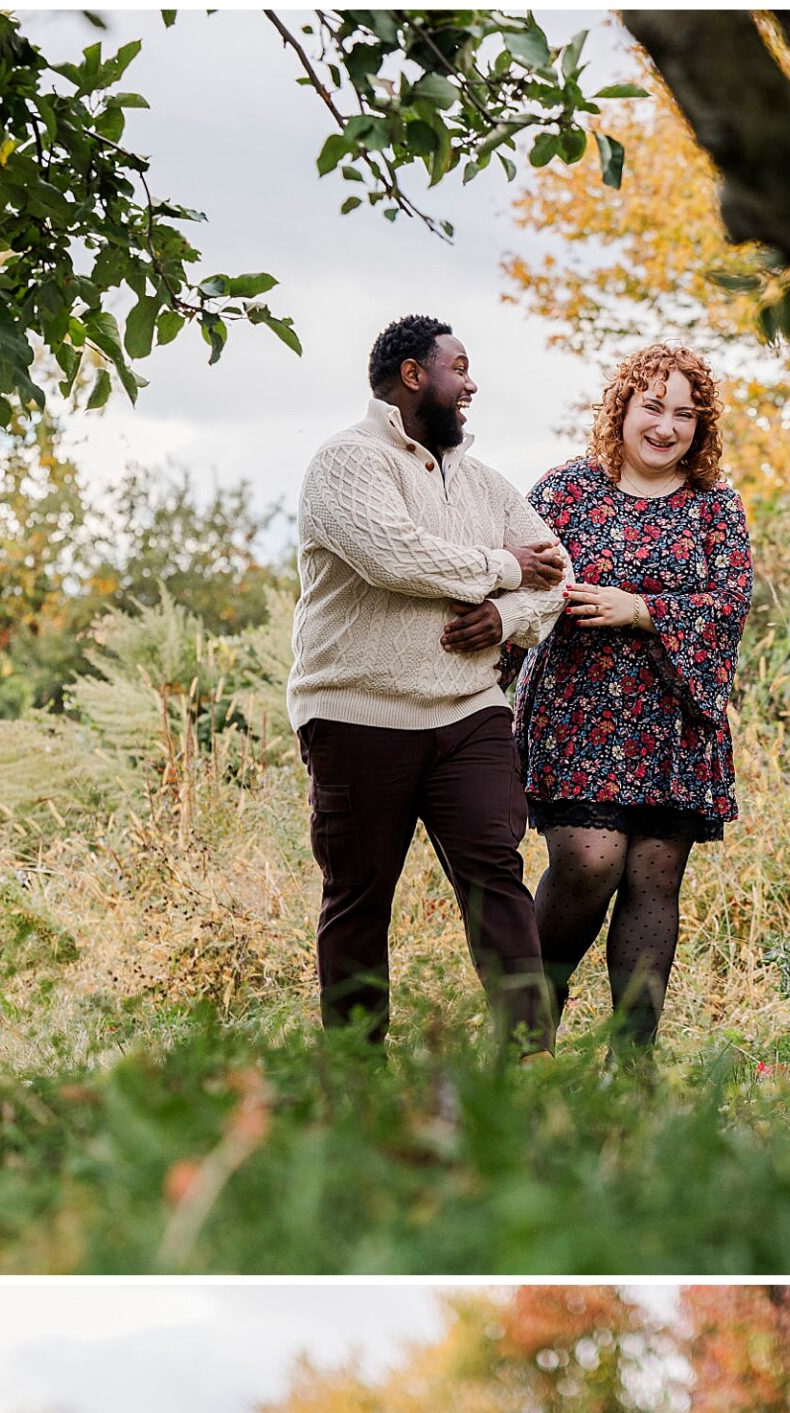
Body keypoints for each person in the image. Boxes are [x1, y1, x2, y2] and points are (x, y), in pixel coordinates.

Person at [288, 314, 569, 1048]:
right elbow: (396, 558)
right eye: (459, 366)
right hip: (356, 714)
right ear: (414, 375)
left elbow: (557, 573)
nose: (472, 382)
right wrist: (506, 570)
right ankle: (356, 1075)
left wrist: (504, 618)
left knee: (496, 879)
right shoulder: (346, 463)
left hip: (469, 712)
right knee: (359, 900)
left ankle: (530, 1061)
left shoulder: (485, 482)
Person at [511, 341, 754, 1049]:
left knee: (654, 880)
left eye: (685, 414)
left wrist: (643, 609)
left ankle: (630, 1067)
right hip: (577, 714)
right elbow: (517, 591)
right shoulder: (566, 491)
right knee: (589, 862)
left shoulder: (716, 509)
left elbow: (731, 604)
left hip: (671, 723)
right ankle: (523, 1038)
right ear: (623, 408)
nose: (666, 426)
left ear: (699, 428)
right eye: (653, 406)